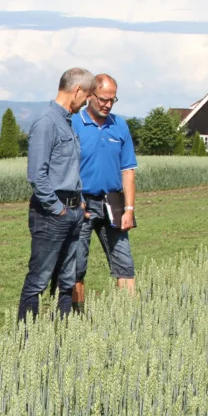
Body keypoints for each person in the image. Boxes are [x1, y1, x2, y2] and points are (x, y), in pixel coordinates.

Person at [18, 68, 95, 322]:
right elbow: (36, 175)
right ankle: (25, 339)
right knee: (39, 279)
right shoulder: (46, 122)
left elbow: (69, 169)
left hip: (73, 211)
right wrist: (58, 208)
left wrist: (79, 204)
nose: (86, 102)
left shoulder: (66, 122)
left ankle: (62, 334)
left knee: (67, 278)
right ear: (77, 90)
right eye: (86, 96)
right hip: (52, 213)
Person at [71, 73, 138, 308]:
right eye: (103, 99)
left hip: (114, 203)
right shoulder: (74, 123)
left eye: (113, 100)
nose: (108, 105)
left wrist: (129, 209)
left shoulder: (120, 125)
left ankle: (128, 318)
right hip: (82, 204)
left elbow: (128, 170)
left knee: (124, 261)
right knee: (76, 265)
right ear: (90, 95)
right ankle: (76, 318)